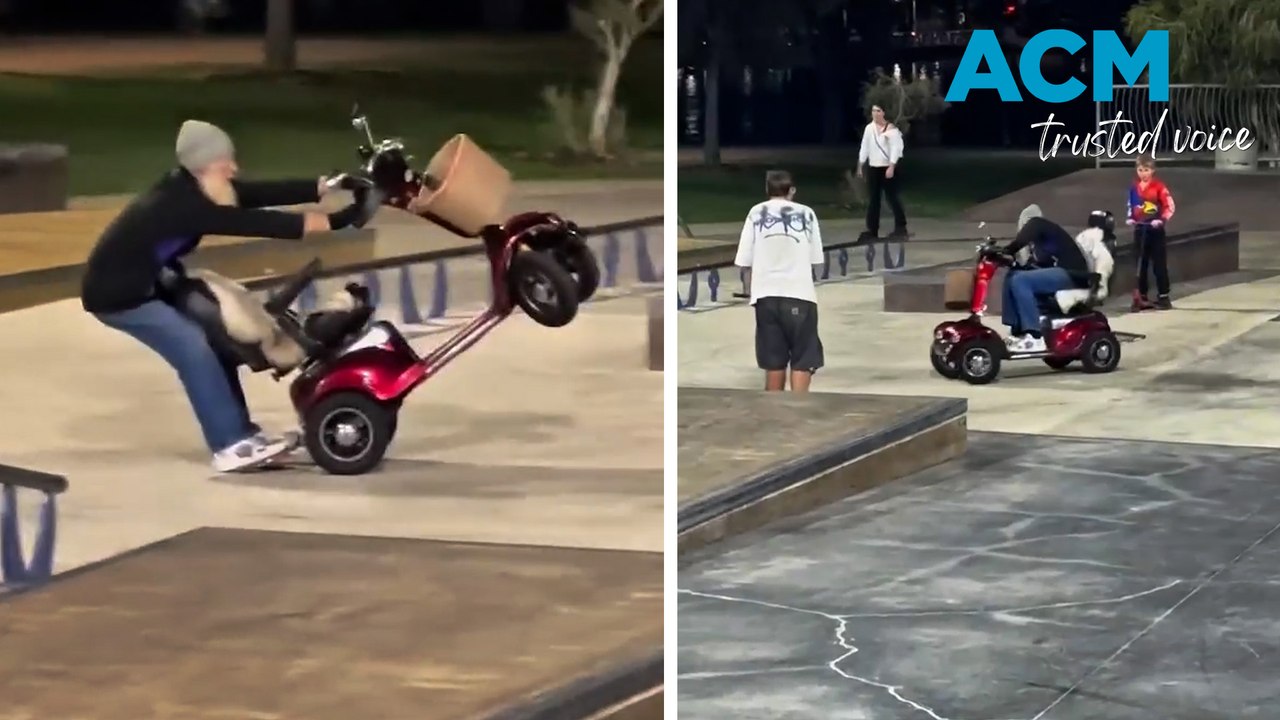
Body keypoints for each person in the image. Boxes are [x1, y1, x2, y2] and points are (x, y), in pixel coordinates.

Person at [81, 119, 372, 473]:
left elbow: (253, 195)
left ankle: (243, 434)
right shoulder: (182, 205)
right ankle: (229, 445)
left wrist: (325, 186)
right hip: (120, 296)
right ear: (204, 166)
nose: (234, 168)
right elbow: (261, 224)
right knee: (192, 348)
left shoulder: (195, 185)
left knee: (217, 342)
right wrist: (342, 219)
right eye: (226, 163)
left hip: (153, 281)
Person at [734, 170, 825, 393]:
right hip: (799, 295)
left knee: (773, 361)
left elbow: (743, 260)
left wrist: (750, 289)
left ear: (767, 190)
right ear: (791, 190)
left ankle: (773, 413)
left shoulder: (755, 213)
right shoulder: (807, 213)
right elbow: (816, 259)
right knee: (803, 359)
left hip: (765, 296)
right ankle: (799, 409)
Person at [1000, 204, 1094, 353]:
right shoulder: (1040, 245)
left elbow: (1025, 236)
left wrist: (1008, 250)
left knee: (1020, 281)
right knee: (1013, 276)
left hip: (1072, 273)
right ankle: (1018, 331)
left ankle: (1035, 336)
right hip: (1059, 273)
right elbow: (1037, 268)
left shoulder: (1038, 223)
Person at [1127, 154, 1176, 311]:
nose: (1143, 173)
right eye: (1140, 170)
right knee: (1140, 264)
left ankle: (1163, 296)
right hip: (1141, 229)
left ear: (1153, 170)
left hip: (1155, 230)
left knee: (1159, 263)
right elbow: (1131, 205)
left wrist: (1161, 220)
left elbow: (1170, 206)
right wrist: (1131, 218)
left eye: (1146, 170)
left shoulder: (1159, 187)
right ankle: (1141, 295)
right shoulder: (1134, 188)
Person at [856, 104, 908, 241]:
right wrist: (860, 165)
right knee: (874, 199)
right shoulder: (869, 129)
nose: (875, 113)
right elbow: (864, 147)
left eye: (878, 111)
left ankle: (901, 227)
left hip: (887, 168)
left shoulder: (892, 130)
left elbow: (896, 149)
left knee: (892, 197)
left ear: (883, 113)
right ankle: (872, 230)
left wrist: (891, 166)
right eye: (873, 110)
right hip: (874, 168)